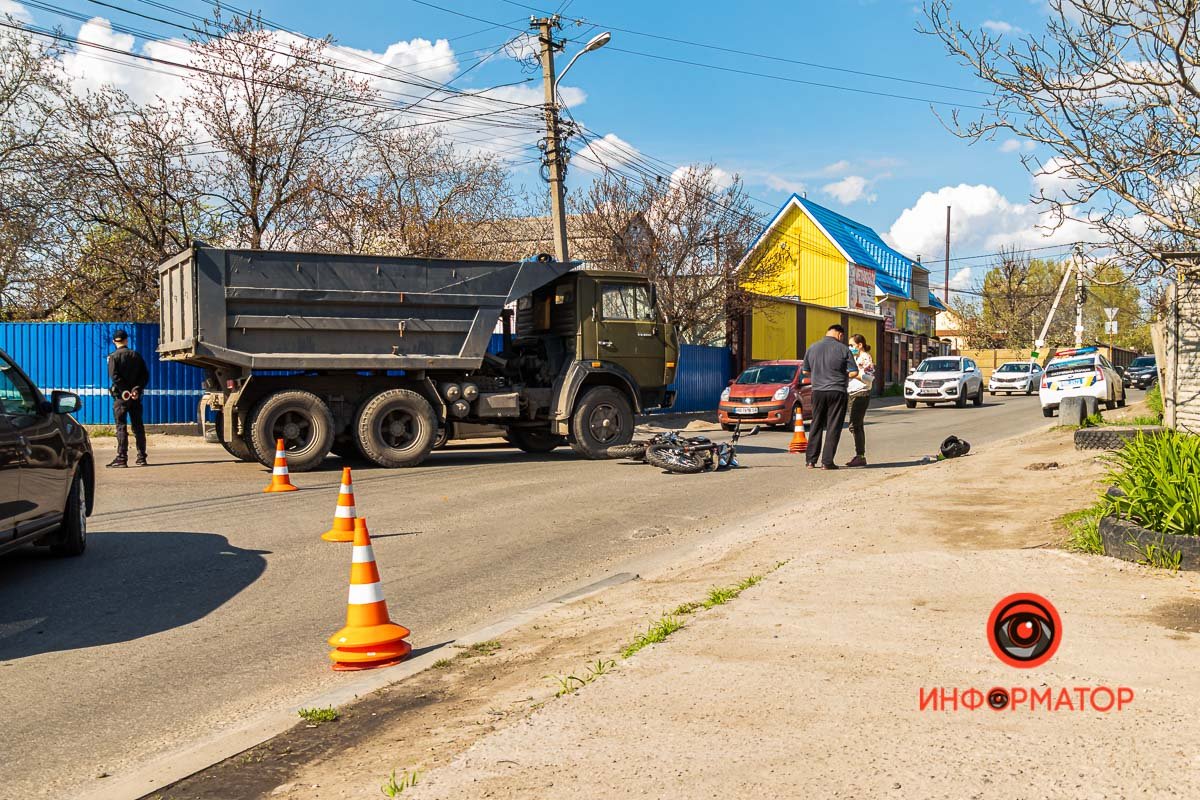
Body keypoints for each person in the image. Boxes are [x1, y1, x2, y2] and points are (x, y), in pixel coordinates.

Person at [801, 324, 858, 470]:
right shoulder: (843, 349)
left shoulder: (812, 348)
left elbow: (806, 371)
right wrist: (842, 374)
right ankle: (827, 462)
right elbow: (854, 372)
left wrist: (819, 373)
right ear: (840, 334)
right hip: (837, 391)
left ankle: (810, 460)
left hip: (818, 391)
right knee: (833, 426)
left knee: (816, 424)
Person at [107, 329, 150, 467]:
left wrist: (125, 390)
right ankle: (141, 457)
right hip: (135, 398)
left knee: (121, 426)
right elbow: (145, 375)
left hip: (121, 397)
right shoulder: (136, 355)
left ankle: (122, 458)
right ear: (126, 340)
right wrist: (136, 389)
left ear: (114, 341)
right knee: (138, 427)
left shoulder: (113, 357)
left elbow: (114, 376)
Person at [845, 334, 876, 467]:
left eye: (852, 345)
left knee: (855, 425)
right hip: (852, 392)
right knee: (856, 425)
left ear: (860, 345)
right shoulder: (855, 358)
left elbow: (869, 378)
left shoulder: (865, 358)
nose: (850, 348)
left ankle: (860, 455)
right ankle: (860, 455)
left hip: (861, 393)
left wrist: (854, 374)